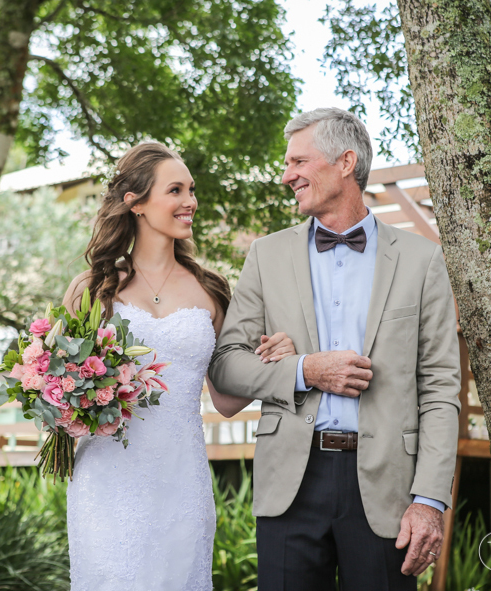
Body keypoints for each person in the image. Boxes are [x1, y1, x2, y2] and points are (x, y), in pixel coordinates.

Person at [208, 107, 461, 590]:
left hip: (388, 487)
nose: (287, 176)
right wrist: (305, 370)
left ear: (345, 162)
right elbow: (224, 367)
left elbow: (440, 389)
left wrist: (429, 499)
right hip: (290, 484)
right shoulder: (266, 255)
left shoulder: (422, 260)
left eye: (298, 162)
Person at [61, 141, 298, 590]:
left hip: (181, 481)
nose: (190, 202)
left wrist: (272, 360)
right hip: (106, 481)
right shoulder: (93, 288)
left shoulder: (210, 290)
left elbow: (227, 399)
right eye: (176, 190)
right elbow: (60, 391)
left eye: (191, 190)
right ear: (136, 204)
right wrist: (61, 400)